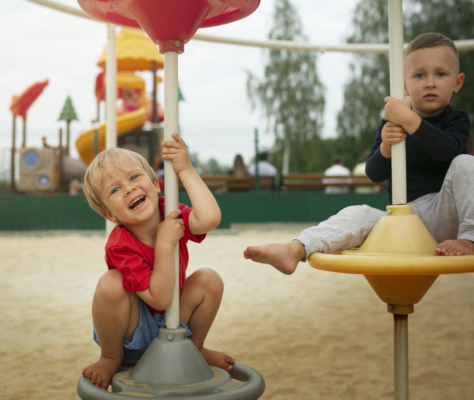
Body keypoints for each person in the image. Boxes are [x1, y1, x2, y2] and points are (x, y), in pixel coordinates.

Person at [243, 32, 474, 274]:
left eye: (440, 74)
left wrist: (411, 120)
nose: (430, 82)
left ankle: (470, 239)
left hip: (446, 212)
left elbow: (447, 151)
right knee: (358, 213)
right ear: (405, 85)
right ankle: (296, 249)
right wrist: (385, 147)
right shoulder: (391, 124)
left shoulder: (455, 119)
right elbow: (374, 173)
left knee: (465, 163)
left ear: (457, 82)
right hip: (403, 218)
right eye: (419, 75)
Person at [81, 133, 233, 390]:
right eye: (115, 190)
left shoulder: (170, 212)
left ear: (155, 183)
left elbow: (209, 218)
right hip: (134, 331)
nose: (129, 188)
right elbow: (159, 298)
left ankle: (193, 349)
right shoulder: (120, 244)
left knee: (209, 279)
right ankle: (109, 357)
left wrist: (186, 169)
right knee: (110, 283)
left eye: (134, 177)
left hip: (176, 320)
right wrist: (164, 243)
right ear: (109, 213)